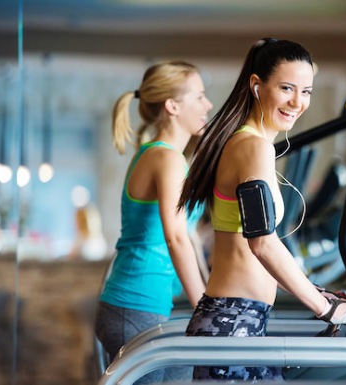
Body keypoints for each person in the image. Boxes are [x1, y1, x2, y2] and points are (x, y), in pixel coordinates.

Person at [179, 38, 346, 382]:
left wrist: (317, 292)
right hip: (233, 322)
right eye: (287, 88)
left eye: (306, 91)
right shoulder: (252, 147)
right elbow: (262, 243)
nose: (298, 102)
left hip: (240, 318)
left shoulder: (249, 143)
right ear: (256, 85)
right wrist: (326, 308)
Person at [94, 60, 213, 383]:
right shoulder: (166, 158)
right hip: (135, 305)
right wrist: (205, 309)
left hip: (142, 305)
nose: (208, 104)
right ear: (173, 105)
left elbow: (186, 235)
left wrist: (208, 297)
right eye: (199, 96)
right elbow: (174, 238)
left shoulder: (166, 156)